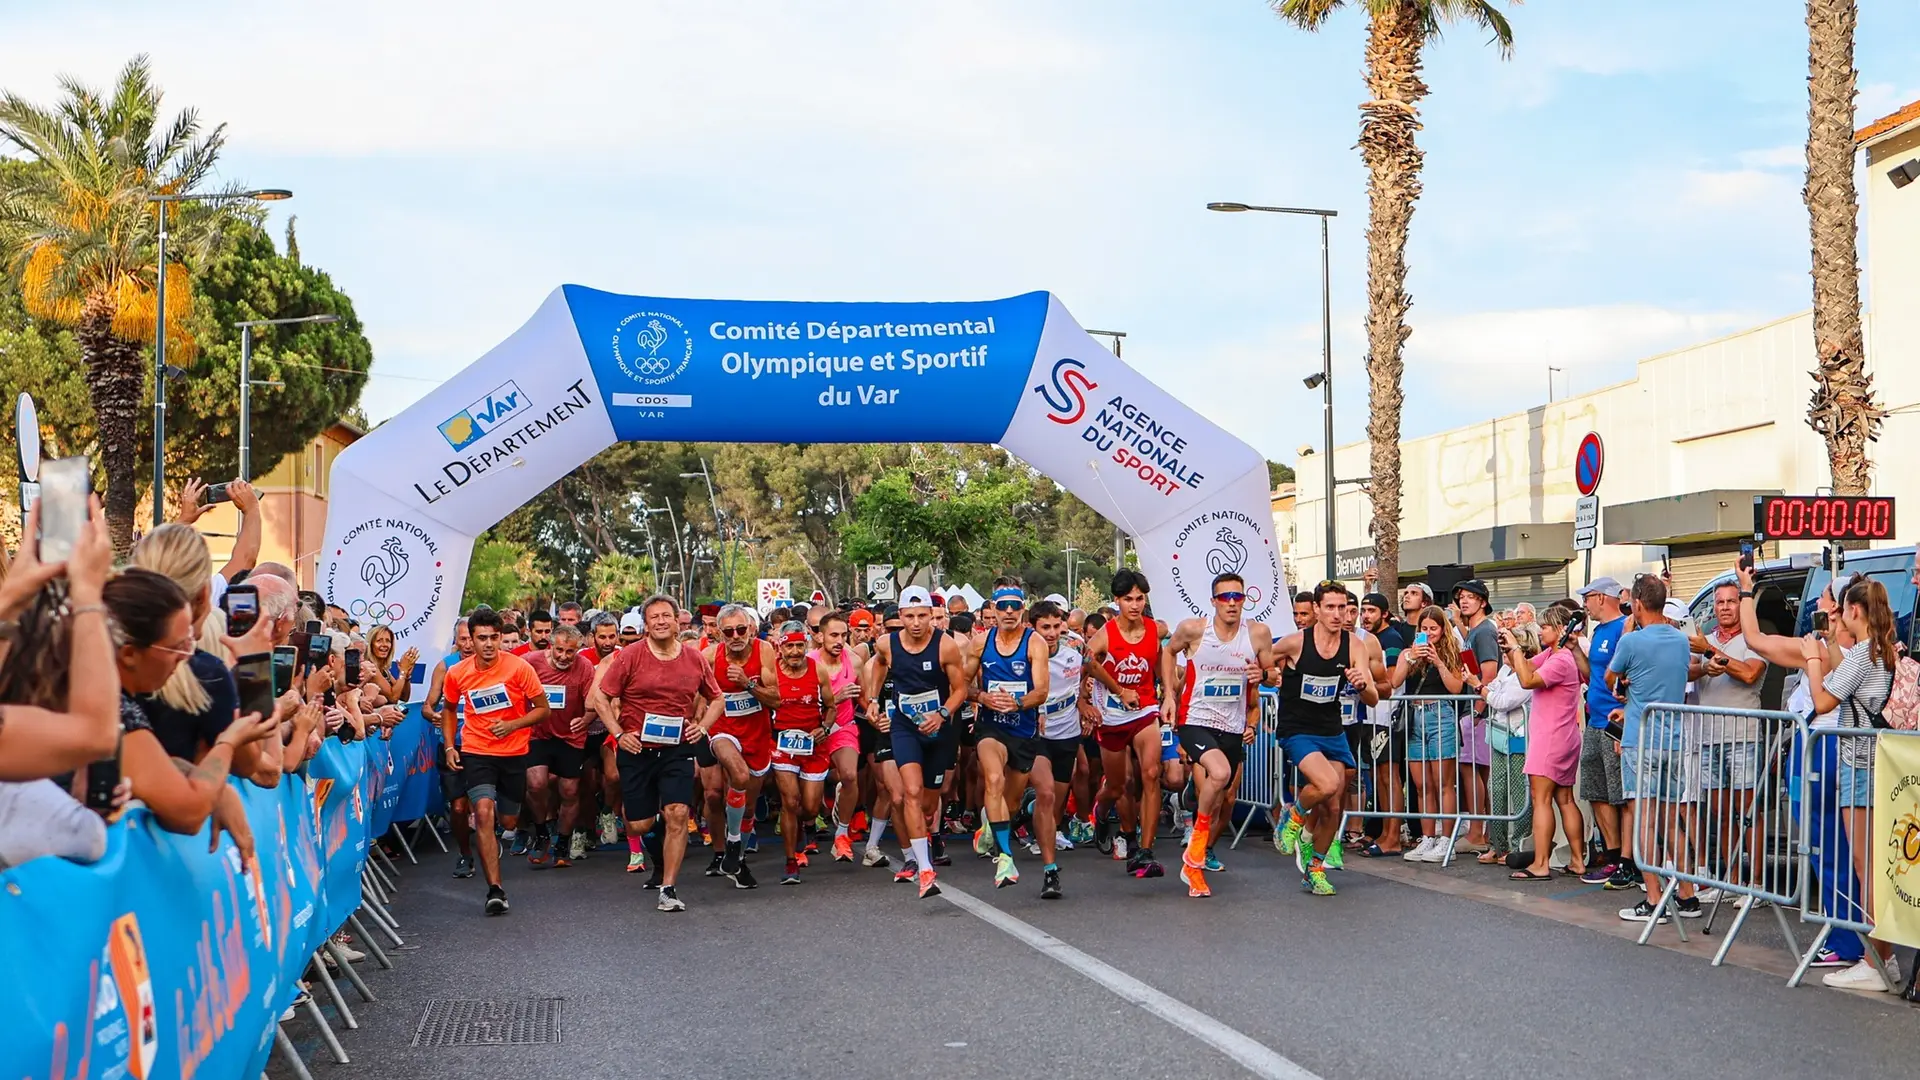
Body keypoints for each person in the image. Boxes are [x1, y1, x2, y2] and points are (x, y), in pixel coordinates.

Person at [105, 568, 278, 860]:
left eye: (189, 645)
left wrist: (195, 775)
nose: (186, 658)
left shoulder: (120, 701)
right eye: (177, 647)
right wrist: (227, 743)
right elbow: (189, 812)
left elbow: (153, 766)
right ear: (130, 654)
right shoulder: (111, 709)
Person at [590, 594, 725, 912]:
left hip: (677, 748)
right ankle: (657, 849)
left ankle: (669, 887)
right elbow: (601, 699)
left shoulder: (694, 659)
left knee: (678, 813)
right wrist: (619, 734)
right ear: (646, 624)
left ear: (677, 621)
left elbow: (717, 698)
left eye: (667, 615)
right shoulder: (630, 657)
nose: (661, 621)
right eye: (654, 617)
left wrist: (702, 726)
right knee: (640, 825)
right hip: (637, 749)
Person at [130, 524, 276, 782]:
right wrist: (254, 666)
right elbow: (252, 762)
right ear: (204, 595)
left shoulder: (108, 660)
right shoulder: (208, 674)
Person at [1165, 573, 1274, 897]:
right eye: (1224, 597)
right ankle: (1197, 846)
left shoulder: (1257, 634)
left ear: (1245, 600)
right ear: (1213, 601)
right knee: (1220, 772)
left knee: (1222, 792)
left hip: (1232, 726)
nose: (1231, 603)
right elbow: (1168, 653)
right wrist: (1170, 695)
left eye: (1237, 597)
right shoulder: (1194, 630)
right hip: (1195, 720)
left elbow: (1272, 673)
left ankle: (1193, 863)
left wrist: (1264, 673)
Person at [440, 606, 551, 915]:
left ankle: (512, 832)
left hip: (514, 753)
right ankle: (496, 890)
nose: (488, 644)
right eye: (481, 638)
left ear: (501, 638)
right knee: (484, 814)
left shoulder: (519, 668)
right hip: (477, 751)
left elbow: (543, 709)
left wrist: (514, 724)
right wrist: (450, 745)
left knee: (508, 821)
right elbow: (448, 709)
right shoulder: (457, 673)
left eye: (494, 638)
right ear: (470, 641)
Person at [1272, 581, 1380, 895]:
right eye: (1330, 607)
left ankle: (1315, 868)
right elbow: (1261, 661)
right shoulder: (1295, 642)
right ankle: (1291, 817)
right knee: (1328, 784)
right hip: (1298, 728)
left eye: (1343, 607)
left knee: (1333, 807)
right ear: (1316, 609)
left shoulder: (1354, 645)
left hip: (1332, 730)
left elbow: (1373, 697)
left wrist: (1362, 685)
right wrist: (1266, 675)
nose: (1337, 614)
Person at [862, 586, 968, 898]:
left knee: (927, 803)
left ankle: (924, 848)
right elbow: (879, 664)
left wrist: (943, 713)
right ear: (900, 617)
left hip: (939, 729)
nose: (917, 622)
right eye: (910, 616)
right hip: (905, 725)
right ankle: (924, 869)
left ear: (932, 616)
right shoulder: (887, 643)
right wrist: (872, 699)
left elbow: (960, 689)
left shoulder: (945, 646)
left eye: (923, 615)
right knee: (909, 791)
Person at [1607, 575, 1699, 924]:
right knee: (1671, 818)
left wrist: (1626, 686)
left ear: (1639, 603)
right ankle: (1688, 895)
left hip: (1641, 740)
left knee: (1644, 820)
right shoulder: (1679, 640)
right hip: (1673, 740)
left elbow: (1609, 680)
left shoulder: (1632, 641)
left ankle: (1653, 898)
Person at [1083, 568, 1174, 878]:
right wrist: (1111, 692)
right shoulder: (1105, 633)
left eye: (1140, 598)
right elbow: (1085, 664)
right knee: (1120, 784)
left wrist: (1170, 695)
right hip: (1111, 716)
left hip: (1145, 709)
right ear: (1117, 601)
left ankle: (1143, 850)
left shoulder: (1155, 630)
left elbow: (1164, 660)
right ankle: (1101, 810)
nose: (1134, 605)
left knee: (1151, 773)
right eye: (1127, 600)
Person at [965, 579, 1051, 889]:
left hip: (1023, 730)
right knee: (993, 779)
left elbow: (1041, 691)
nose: (1010, 611)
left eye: (1016, 606)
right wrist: (983, 698)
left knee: (1011, 803)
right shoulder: (979, 643)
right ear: (993, 609)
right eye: (1003, 606)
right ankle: (1005, 858)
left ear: (1024, 610)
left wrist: (1017, 703)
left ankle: (991, 826)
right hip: (990, 727)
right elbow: (961, 685)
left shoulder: (1034, 643)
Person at [1688, 580, 1767, 904]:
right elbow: (1690, 672)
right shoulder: (1707, 640)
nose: (1723, 607)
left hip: (1743, 734)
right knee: (1720, 813)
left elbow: (1749, 673)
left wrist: (1709, 650)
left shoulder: (1753, 638)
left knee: (1748, 811)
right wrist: (1703, 664)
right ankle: (1731, 882)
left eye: (1731, 601)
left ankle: (1758, 884)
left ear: (1741, 604)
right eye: (1719, 602)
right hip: (1710, 735)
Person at [1504, 607, 1588, 881]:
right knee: (1564, 799)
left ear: (1561, 629)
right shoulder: (1554, 654)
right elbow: (1524, 667)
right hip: (1563, 735)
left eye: (1546, 627)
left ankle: (1541, 863)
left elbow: (1527, 680)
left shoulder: (1561, 660)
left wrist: (1516, 648)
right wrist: (1511, 650)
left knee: (1541, 800)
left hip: (1551, 737)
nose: (1541, 631)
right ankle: (1577, 860)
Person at [698, 603, 777, 888]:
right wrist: (697, 723)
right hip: (723, 730)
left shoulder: (764, 652)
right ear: (718, 633)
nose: (735, 635)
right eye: (728, 631)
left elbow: (776, 699)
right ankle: (728, 847)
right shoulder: (708, 656)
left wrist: (747, 684)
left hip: (757, 734)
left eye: (741, 629)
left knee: (749, 809)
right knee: (735, 779)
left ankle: (737, 859)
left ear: (751, 629)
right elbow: (692, 694)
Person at [1391, 604, 1467, 863]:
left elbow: (1456, 688)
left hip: (1441, 715)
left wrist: (1438, 661)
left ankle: (1447, 840)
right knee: (1422, 784)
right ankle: (1427, 838)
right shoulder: (1408, 653)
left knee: (1443, 783)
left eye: (1433, 629)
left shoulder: (1452, 651)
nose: (1428, 633)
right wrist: (1411, 658)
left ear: (1442, 630)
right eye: (1424, 629)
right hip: (1414, 716)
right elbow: (1395, 681)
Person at [523, 623, 598, 868]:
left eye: (570, 652)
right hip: (538, 733)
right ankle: (542, 831)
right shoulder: (531, 662)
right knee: (536, 784)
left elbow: (595, 703)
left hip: (570, 736)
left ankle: (563, 842)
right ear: (551, 646)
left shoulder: (585, 667)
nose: (564, 656)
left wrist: (585, 719)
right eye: (560, 650)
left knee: (570, 791)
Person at [1025, 600, 1084, 899]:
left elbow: (1081, 689)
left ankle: (1035, 817)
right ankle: (1050, 871)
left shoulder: (1073, 657)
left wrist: (1085, 705)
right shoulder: (1024, 657)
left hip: (1067, 735)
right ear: (1032, 627)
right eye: (1044, 627)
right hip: (1035, 737)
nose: (1051, 633)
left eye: (1055, 626)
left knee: (1055, 802)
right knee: (1046, 793)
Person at [1575, 577, 1631, 885]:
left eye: (1588, 597)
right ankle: (1612, 856)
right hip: (1594, 718)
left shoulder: (1624, 627)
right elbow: (1592, 674)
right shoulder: (1597, 632)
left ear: (1601, 598)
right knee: (1596, 791)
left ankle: (1627, 859)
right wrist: (1575, 651)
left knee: (1618, 794)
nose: (1585, 604)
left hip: (1614, 720)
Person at [768, 621, 833, 884]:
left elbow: (831, 706)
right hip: (782, 745)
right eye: (789, 646)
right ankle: (791, 860)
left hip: (813, 746)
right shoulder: (771, 671)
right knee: (790, 802)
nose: (795, 651)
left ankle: (807, 828)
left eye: (799, 645)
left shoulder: (818, 671)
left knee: (809, 807)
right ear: (780, 646)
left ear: (806, 645)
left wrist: (825, 728)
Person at [1479, 624, 1536, 865]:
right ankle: (1498, 844)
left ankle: (1518, 844)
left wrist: (1481, 689)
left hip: (1520, 738)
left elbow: (1502, 700)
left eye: (1508, 649)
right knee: (1497, 790)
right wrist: (1485, 690)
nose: (1504, 655)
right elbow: (1493, 691)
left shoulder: (1528, 672)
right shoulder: (1505, 670)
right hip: (1499, 736)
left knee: (1519, 793)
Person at [810, 612, 865, 862]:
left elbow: (864, 695)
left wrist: (874, 712)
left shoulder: (853, 661)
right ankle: (806, 835)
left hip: (843, 726)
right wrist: (836, 696)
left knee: (851, 775)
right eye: (834, 635)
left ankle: (842, 835)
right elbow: (800, 701)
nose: (839, 640)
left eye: (844, 635)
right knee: (806, 799)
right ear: (820, 636)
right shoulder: (808, 662)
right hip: (814, 729)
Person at [1452, 580, 1500, 855]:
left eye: (1471, 597)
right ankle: (1484, 831)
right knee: (1476, 770)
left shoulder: (1483, 632)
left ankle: (1476, 831)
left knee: (1472, 770)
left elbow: (1489, 673)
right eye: (1462, 597)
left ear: (1483, 601)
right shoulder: (1474, 631)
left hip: (1480, 709)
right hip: (1477, 707)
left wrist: (1478, 710)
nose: (1465, 601)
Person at [427, 618, 478, 875]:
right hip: (452, 745)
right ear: (455, 640)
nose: (467, 644)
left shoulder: (492, 665)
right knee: (458, 807)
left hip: (483, 746)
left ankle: (488, 841)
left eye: (471, 638)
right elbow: (428, 705)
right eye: (462, 639)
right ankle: (465, 853)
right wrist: (434, 714)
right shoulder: (445, 666)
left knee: (487, 806)